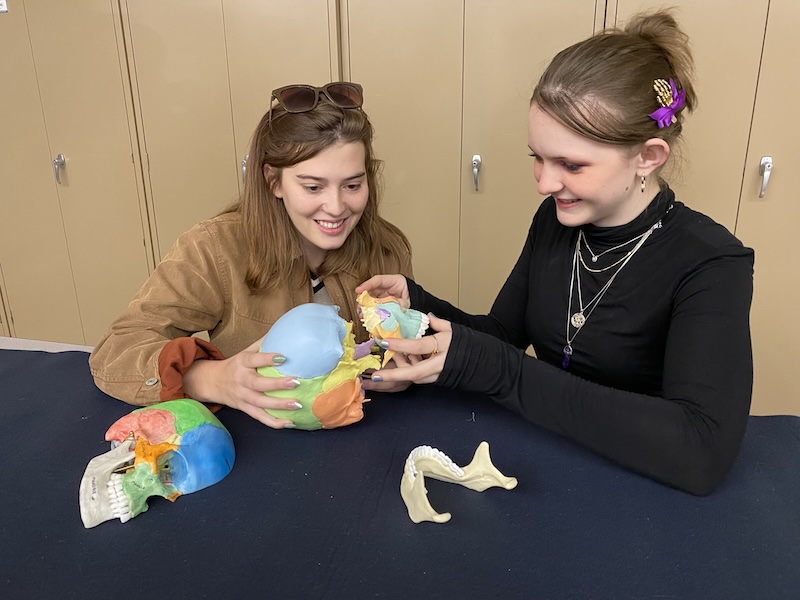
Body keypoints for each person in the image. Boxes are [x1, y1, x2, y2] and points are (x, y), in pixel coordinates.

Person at [357, 11, 754, 496]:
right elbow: (502, 336)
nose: (545, 183)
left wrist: (504, 372)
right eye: (538, 158)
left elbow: (701, 452)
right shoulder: (557, 221)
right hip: (548, 467)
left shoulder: (712, 263)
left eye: (571, 164)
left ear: (648, 157)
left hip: (640, 492)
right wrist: (418, 308)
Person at [90, 82, 413, 428]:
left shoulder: (387, 248)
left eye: (352, 185)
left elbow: (407, 344)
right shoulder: (213, 249)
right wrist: (209, 378)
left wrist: (403, 365)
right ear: (273, 181)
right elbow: (115, 352)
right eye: (313, 186)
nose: (336, 207)